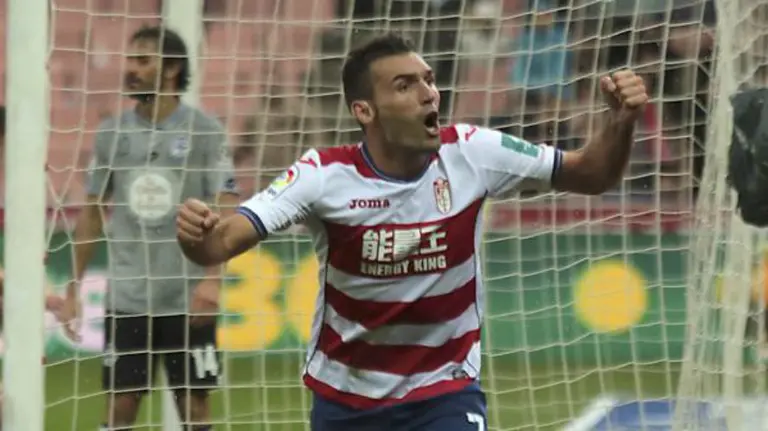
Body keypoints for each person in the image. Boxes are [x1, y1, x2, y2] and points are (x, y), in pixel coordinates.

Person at [176, 33, 647, 430]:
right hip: (346, 396)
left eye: (429, 80)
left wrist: (620, 123)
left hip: (444, 391)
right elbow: (219, 242)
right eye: (405, 86)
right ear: (365, 111)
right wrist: (196, 235)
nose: (428, 94)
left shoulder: (472, 152)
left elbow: (592, 175)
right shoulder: (323, 175)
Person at [59, 26, 239, 430]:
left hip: (187, 297)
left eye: (143, 61)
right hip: (128, 298)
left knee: (195, 411)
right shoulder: (111, 133)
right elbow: (91, 212)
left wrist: (213, 281)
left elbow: (227, 205)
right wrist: (73, 288)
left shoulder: (205, 131)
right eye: (130, 61)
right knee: (120, 409)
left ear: (171, 69)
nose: (132, 70)